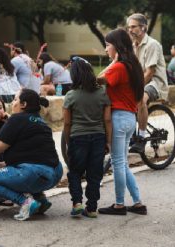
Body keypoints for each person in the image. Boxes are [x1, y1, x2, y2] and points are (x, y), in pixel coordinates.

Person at [0, 89, 63, 221]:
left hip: (35, 173)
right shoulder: (40, 121)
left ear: (23, 104)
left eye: (15, 99)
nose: (12, 103)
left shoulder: (17, 119)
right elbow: (31, 153)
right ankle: (41, 201)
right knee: (21, 172)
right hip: (55, 173)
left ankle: (25, 202)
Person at [98, 28, 147, 216]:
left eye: (107, 45)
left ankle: (119, 204)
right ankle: (137, 202)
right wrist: (115, 60)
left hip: (118, 118)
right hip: (129, 119)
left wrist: (113, 62)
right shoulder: (133, 66)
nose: (105, 49)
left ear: (117, 47)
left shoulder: (119, 67)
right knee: (122, 162)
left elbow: (96, 80)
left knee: (118, 162)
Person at [63, 57, 111, 218]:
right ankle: (92, 208)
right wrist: (108, 141)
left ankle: (77, 202)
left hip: (78, 138)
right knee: (94, 174)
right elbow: (107, 120)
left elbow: (67, 124)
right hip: (98, 137)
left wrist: (69, 142)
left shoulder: (71, 96)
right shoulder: (102, 93)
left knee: (75, 172)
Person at [126, 13, 169, 153]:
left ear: (143, 27)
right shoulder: (132, 46)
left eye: (133, 27)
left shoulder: (152, 45)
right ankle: (131, 134)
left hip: (155, 83)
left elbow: (150, 72)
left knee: (140, 98)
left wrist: (136, 88)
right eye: (129, 27)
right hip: (142, 82)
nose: (130, 30)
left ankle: (141, 138)